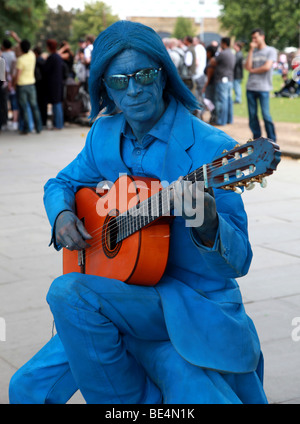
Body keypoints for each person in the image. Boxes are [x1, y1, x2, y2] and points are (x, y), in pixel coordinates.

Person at [9, 21, 267, 405]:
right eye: (119, 81)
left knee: (68, 293)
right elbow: (59, 185)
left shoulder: (213, 150)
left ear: (163, 75)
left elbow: (239, 260)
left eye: (144, 75)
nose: (133, 90)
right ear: (104, 88)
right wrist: (62, 216)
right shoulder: (103, 135)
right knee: (26, 388)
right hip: (121, 287)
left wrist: (209, 223)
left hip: (189, 303)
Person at [245, 28, 277, 142]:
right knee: (252, 117)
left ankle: (272, 141)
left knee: (266, 115)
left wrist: (253, 70)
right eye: (252, 38)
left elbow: (267, 67)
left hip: (264, 88)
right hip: (251, 88)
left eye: (255, 37)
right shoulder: (253, 52)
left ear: (262, 37)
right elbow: (247, 66)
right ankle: (257, 140)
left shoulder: (271, 50)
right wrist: (250, 50)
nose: (253, 40)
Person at [14, 39, 42, 135]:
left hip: (22, 85)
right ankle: (38, 127)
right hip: (31, 84)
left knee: (24, 107)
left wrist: (14, 85)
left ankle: (27, 129)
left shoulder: (20, 60)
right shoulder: (32, 55)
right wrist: (16, 37)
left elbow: (18, 75)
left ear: (21, 48)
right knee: (34, 106)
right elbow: (25, 45)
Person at [210, 37, 235, 126]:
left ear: (224, 43)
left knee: (222, 101)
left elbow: (212, 62)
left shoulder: (222, 53)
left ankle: (221, 120)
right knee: (228, 100)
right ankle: (229, 119)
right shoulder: (232, 53)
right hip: (230, 79)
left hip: (222, 79)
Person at [44, 39, 64, 130]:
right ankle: (59, 123)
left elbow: (46, 70)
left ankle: (58, 124)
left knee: (56, 104)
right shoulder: (58, 57)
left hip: (53, 84)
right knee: (57, 103)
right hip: (58, 83)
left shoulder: (52, 57)